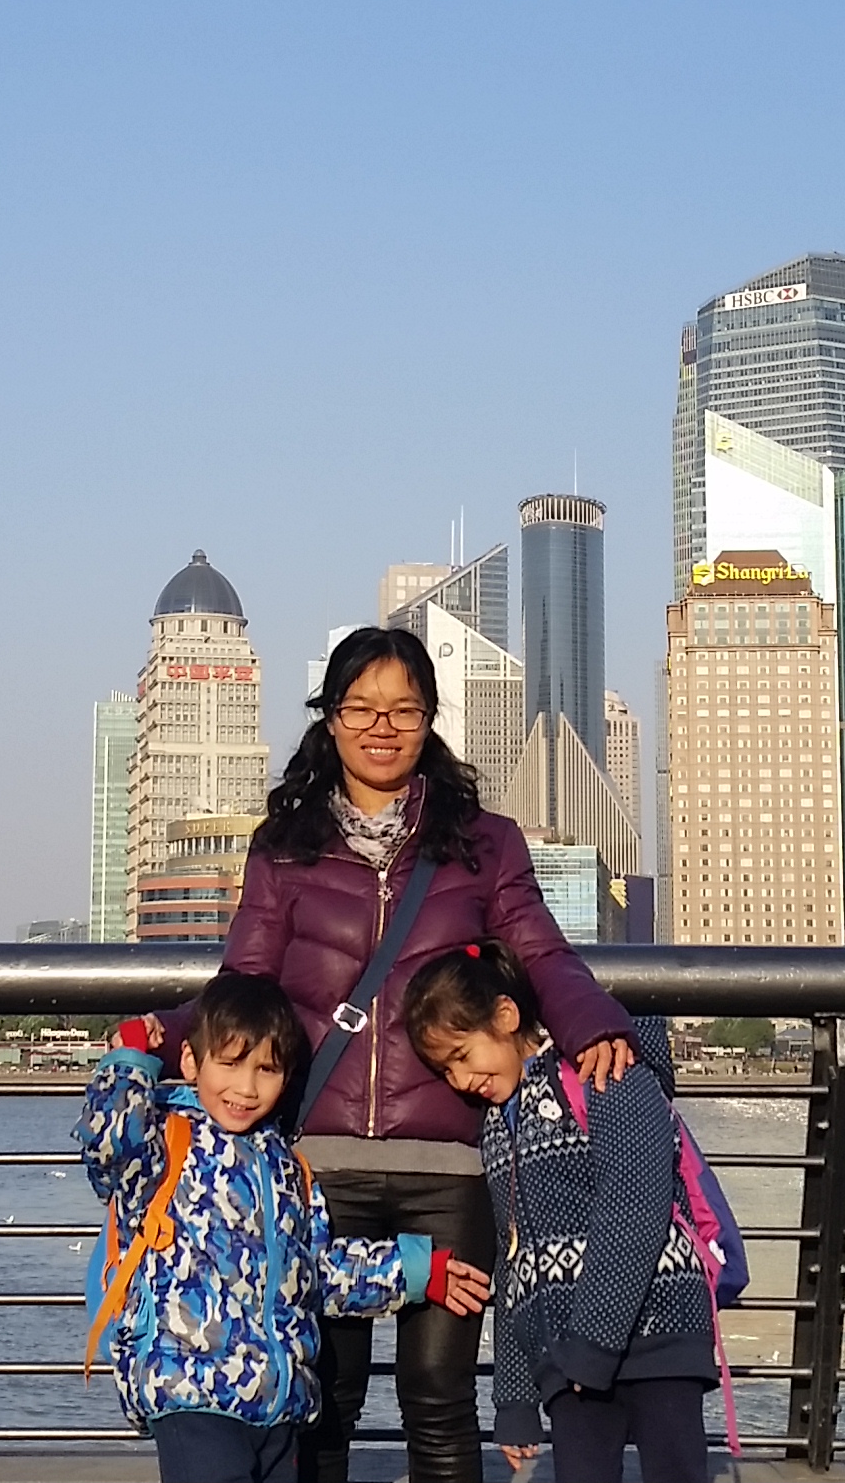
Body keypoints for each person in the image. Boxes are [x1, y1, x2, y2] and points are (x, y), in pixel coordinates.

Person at [146, 626, 639, 1483]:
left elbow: (543, 953)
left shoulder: (485, 843)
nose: (382, 726)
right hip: (315, 1161)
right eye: (360, 708)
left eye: (403, 709)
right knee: (320, 1399)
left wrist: (596, 1021)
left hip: (449, 1162)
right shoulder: (285, 843)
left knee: (439, 1400)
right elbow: (247, 982)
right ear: (330, 720)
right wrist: (152, 1041)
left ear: (429, 720)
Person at [77, 971, 495, 1483]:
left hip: (277, 1400)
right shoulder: (166, 1142)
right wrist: (130, 1063)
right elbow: (109, 1148)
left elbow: (316, 1273)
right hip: (190, 1390)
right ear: (191, 1062)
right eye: (229, 1064)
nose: (246, 1087)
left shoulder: (288, 1168)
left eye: (266, 1069)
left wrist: (412, 1270)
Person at [404, 941, 714, 1483]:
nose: (459, 1081)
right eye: (443, 1070)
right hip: (569, 1359)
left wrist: (591, 1343)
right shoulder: (499, 1125)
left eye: (461, 1055)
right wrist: (515, 1401)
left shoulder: (602, 1070)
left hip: (656, 1331)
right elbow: (515, 1259)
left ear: (505, 1015)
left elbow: (635, 1206)